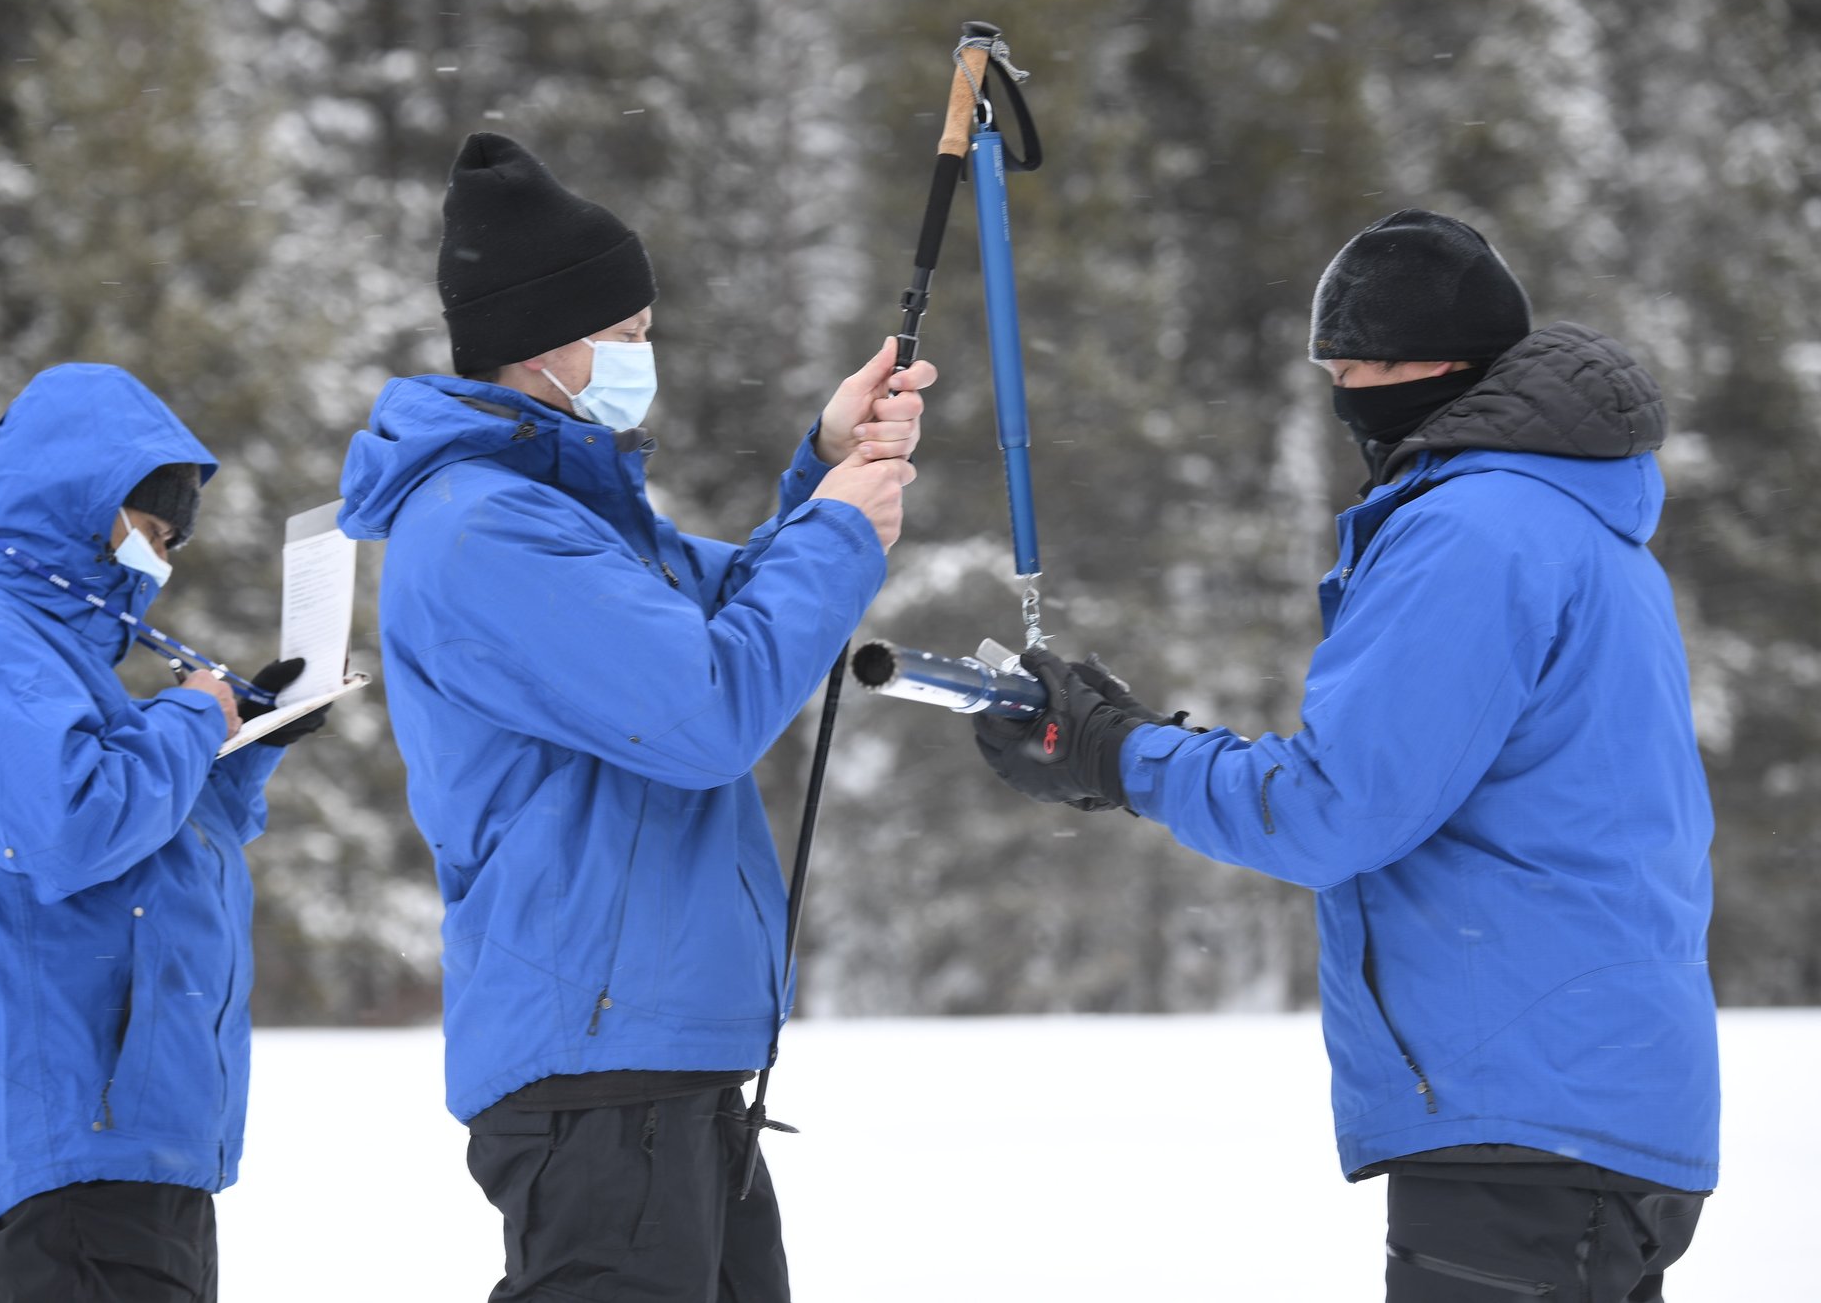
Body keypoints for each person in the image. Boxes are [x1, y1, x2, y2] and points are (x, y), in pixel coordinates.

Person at [972, 210, 1717, 1302]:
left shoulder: (1473, 530)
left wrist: (1118, 756)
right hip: (1590, 1090)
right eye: (1332, 366)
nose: (1344, 392)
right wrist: (1130, 751)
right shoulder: (1571, 519)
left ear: (1444, 369)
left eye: (1362, 365)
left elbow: (1336, 810)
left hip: (1522, 1104)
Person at [336, 132, 929, 1302]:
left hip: (662, 1056)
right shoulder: (489, 532)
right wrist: (841, 530)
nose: (643, 358)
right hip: (599, 1064)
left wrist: (822, 468)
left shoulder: (575, 518)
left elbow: (734, 604)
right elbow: (708, 706)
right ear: (538, 345)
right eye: (627, 337)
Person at [0, 363, 326, 1302]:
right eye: (152, 529)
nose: (158, 557)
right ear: (86, 504)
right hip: (82, 1129)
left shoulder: (54, 652)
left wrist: (241, 742)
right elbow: (73, 828)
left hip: (140, 1127)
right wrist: (192, 721)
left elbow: (154, 840)